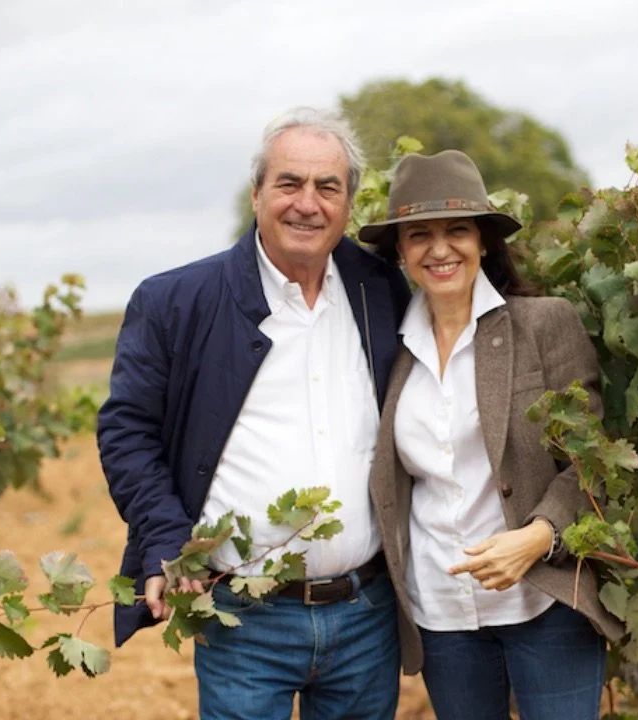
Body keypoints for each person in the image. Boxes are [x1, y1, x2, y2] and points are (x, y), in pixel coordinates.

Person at [97, 107, 411, 720]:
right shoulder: (175, 301)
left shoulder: (381, 290)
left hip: (367, 616)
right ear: (257, 194)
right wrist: (165, 535)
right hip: (243, 621)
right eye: (289, 183)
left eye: (328, 187)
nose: (307, 204)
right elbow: (127, 431)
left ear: (349, 203)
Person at [360, 150, 625, 720]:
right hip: (442, 615)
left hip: (544, 601)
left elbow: (594, 458)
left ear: (484, 241)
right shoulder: (390, 349)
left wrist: (540, 535)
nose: (439, 249)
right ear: (401, 251)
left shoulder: (543, 324)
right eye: (419, 235)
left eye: (457, 230)